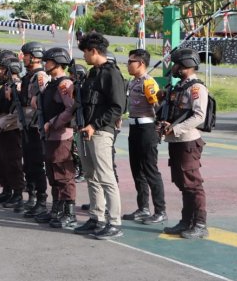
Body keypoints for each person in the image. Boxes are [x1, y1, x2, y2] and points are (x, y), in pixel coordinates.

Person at [73, 33, 126, 239]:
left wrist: (94, 125)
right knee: (91, 176)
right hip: (85, 131)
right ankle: (97, 217)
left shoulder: (111, 74)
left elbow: (117, 107)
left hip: (101, 132)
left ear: (94, 51)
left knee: (106, 177)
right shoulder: (92, 74)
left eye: (85, 52)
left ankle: (114, 222)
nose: (84, 56)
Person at [158, 48, 209, 239]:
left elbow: (199, 116)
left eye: (177, 64)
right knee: (182, 182)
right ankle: (186, 221)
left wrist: (176, 129)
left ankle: (200, 224)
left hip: (188, 141)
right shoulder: (178, 87)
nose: (174, 67)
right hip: (176, 141)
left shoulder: (196, 88)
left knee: (193, 183)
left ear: (186, 64)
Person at [123, 49, 167, 224]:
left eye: (130, 61)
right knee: (137, 170)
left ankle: (160, 210)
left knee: (150, 170)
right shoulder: (134, 81)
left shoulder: (148, 83)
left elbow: (158, 108)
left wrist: (159, 127)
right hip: (134, 128)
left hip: (147, 129)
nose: (128, 64)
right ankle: (143, 208)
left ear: (141, 63)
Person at [39, 47, 77, 229]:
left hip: (61, 135)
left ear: (57, 62)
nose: (45, 64)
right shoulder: (52, 84)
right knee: (52, 174)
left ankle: (69, 212)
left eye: (48, 61)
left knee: (64, 174)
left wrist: (53, 122)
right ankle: (57, 208)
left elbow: (70, 109)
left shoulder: (65, 84)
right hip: (50, 135)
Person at [0, 52, 25, 210]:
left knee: (13, 162)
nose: (1, 72)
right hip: (1, 129)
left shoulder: (17, 86)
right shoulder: (3, 85)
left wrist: (1, 123)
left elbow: (17, 112)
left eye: (3, 69)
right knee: (1, 162)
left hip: (11, 129)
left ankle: (17, 193)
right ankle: (6, 189)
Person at [17, 41, 49, 217]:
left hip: (36, 126)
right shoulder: (27, 76)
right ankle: (31, 195)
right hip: (26, 125)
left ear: (35, 56)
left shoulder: (40, 76)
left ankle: (41, 200)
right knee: (28, 164)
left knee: (37, 164)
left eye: (26, 55)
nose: (24, 58)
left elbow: (43, 97)